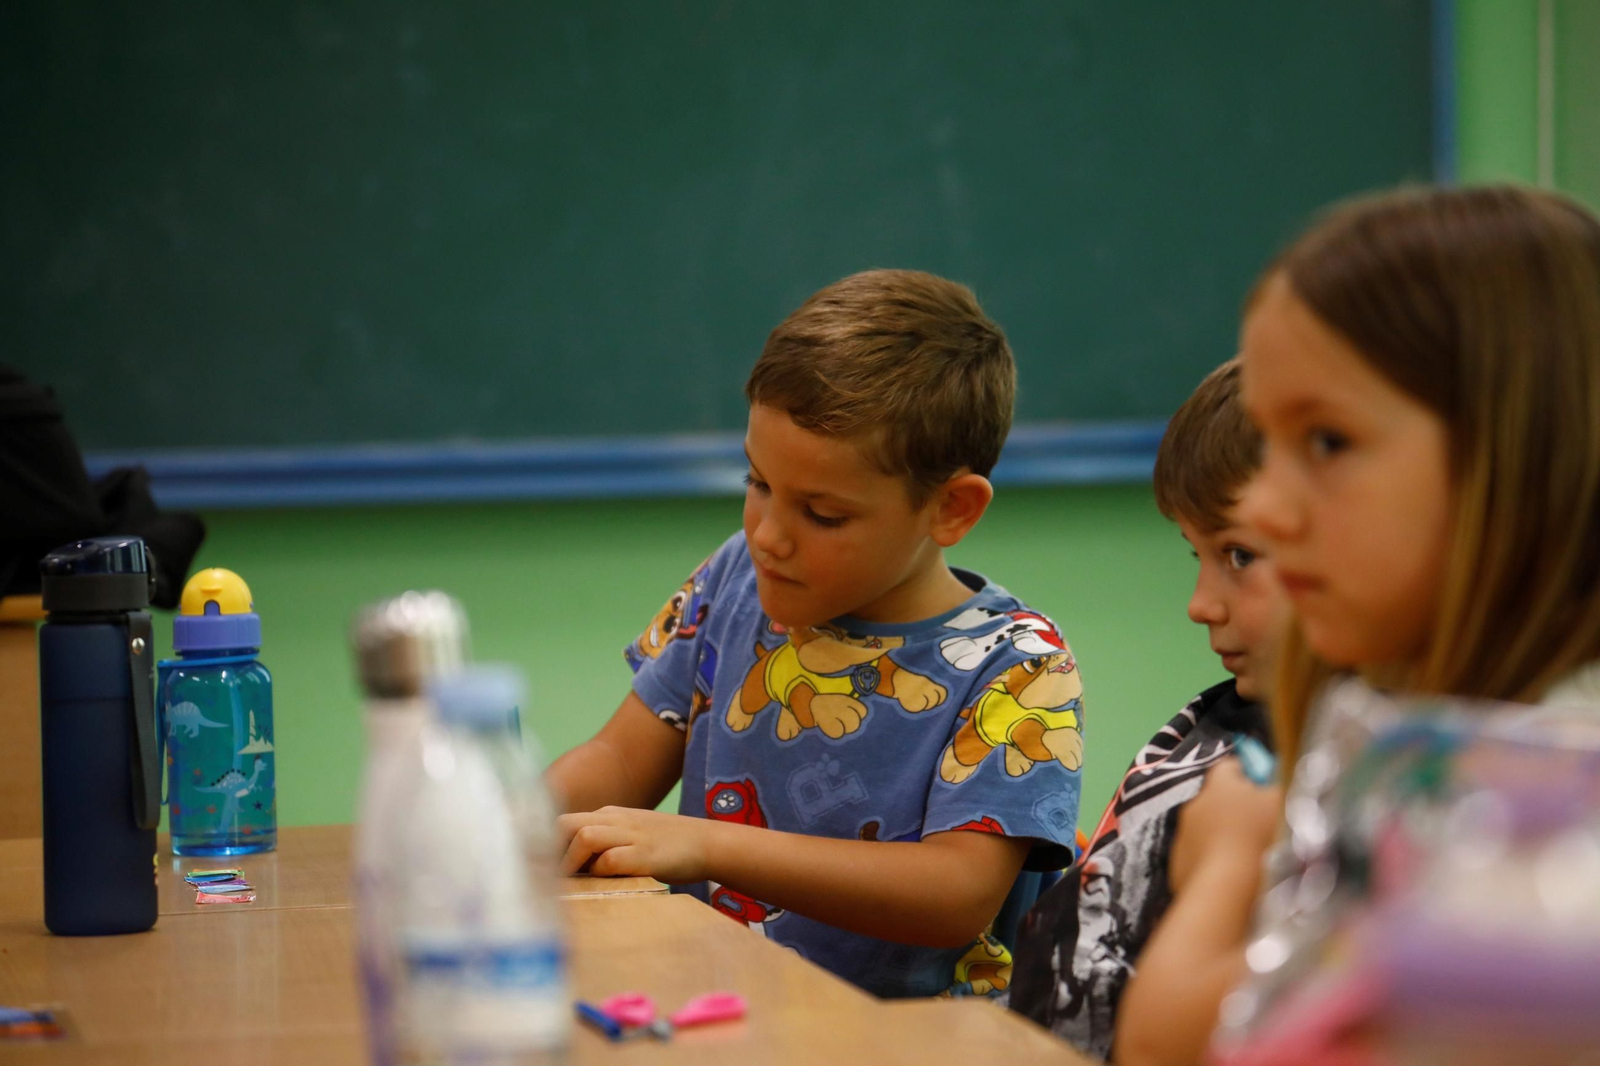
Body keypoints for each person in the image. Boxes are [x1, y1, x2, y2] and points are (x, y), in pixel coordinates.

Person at [546, 269, 1084, 997]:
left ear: (952, 508)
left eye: (823, 514)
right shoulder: (735, 578)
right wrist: (510, 823)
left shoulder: (1019, 668)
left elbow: (954, 896)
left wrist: (706, 843)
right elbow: (618, 757)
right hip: (716, 1019)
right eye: (757, 483)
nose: (769, 536)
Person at [1008, 358, 1287, 1060]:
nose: (1200, 604)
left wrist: (1226, 861)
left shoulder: (1317, 793)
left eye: (1240, 555)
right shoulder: (1216, 728)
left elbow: (1164, 1042)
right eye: (1197, 554)